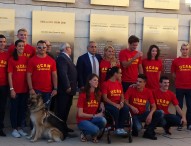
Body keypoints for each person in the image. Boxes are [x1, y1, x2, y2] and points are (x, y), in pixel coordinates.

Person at [125, 74, 163, 140]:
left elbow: (154, 106)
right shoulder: (131, 89)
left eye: (140, 82)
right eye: (137, 81)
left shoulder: (148, 91)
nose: (137, 83)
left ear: (145, 83)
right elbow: (125, 101)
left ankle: (148, 132)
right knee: (138, 128)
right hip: (133, 115)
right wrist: (132, 107)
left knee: (160, 113)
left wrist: (150, 115)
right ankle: (134, 129)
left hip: (143, 114)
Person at [77, 74, 106, 143]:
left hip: (93, 120)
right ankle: (85, 133)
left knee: (103, 120)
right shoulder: (83, 94)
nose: (97, 82)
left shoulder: (98, 93)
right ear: (89, 81)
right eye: (94, 80)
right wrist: (95, 115)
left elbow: (102, 100)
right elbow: (80, 114)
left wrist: (102, 103)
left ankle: (93, 133)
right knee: (96, 130)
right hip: (82, 120)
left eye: (97, 80)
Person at [8, 40, 28, 138]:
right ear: (15, 47)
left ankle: (20, 128)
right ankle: (14, 129)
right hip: (15, 90)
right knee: (14, 110)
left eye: (22, 46)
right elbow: (10, 75)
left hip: (24, 89)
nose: (21, 47)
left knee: (22, 110)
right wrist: (12, 89)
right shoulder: (12, 59)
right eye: (19, 46)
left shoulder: (26, 59)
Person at [27, 40, 57, 106]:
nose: (42, 49)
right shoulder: (32, 60)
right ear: (37, 48)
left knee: (46, 111)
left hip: (48, 91)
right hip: (36, 90)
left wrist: (55, 88)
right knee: (36, 111)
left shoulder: (51, 60)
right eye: (39, 47)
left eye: (44, 47)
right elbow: (28, 75)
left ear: (46, 48)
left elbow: (54, 75)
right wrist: (31, 89)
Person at [56, 43, 77, 132]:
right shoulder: (62, 58)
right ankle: (60, 129)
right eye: (69, 47)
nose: (71, 49)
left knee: (66, 108)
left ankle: (64, 127)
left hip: (69, 89)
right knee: (62, 109)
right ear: (66, 49)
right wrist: (67, 86)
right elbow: (63, 73)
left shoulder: (66, 57)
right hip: (65, 90)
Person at [102, 66, 129, 135]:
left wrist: (122, 102)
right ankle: (116, 128)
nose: (121, 75)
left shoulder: (119, 83)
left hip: (118, 103)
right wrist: (115, 105)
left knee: (125, 109)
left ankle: (120, 127)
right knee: (115, 110)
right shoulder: (106, 84)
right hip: (109, 104)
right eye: (120, 73)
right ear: (115, 74)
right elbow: (105, 98)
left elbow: (122, 95)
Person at [171, 43, 191, 130]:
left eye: (186, 49)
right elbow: (173, 74)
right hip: (179, 87)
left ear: (188, 50)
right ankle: (179, 122)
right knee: (179, 105)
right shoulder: (176, 61)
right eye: (183, 49)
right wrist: (180, 80)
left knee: (190, 106)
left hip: (190, 87)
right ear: (180, 50)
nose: (185, 51)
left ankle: (189, 124)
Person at [0, 34, 9, 136]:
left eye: (3, 42)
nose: (2, 44)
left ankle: (0, 128)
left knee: (2, 108)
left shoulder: (7, 55)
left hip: (3, 86)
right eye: (0, 42)